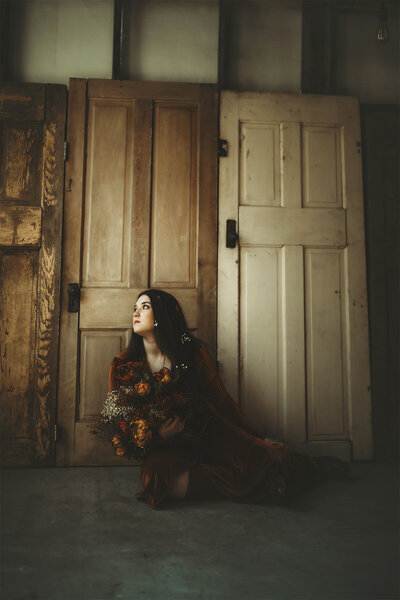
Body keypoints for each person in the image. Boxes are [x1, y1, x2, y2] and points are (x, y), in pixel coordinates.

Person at [108, 289, 348, 509]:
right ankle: (266, 487)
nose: (136, 312)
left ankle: (313, 468)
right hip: (166, 446)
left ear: (164, 315)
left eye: (145, 306)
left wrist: (254, 436)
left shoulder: (190, 352)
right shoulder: (123, 365)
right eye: (135, 308)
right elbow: (121, 424)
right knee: (157, 480)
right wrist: (159, 436)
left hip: (206, 430)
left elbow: (220, 401)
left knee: (266, 456)